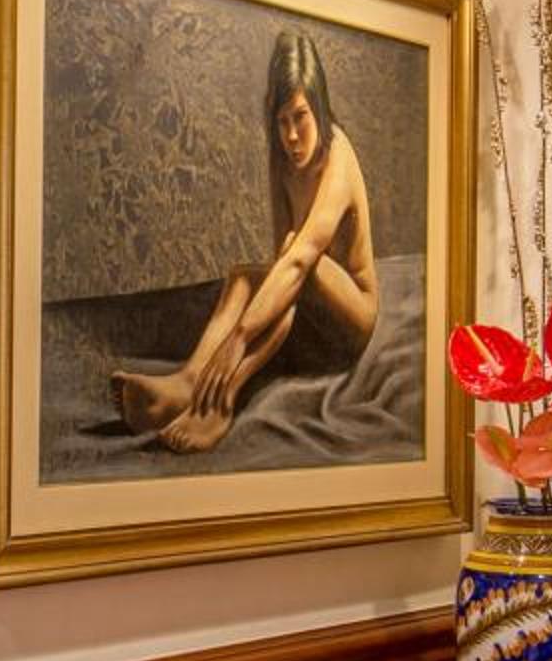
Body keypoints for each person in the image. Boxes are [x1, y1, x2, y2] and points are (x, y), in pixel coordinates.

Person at [111, 29, 379, 454]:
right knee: (243, 278)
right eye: (282, 122)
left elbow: (298, 261)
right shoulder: (283, 159)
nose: (291, 136)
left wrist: (238, 341)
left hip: (351, 320)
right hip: (306, 301)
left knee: (293, 253)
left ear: (320, 109)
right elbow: (281, 273)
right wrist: (250, 324)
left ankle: (220, 400)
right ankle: (189, 382)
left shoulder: (338, 156)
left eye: (300, 116)